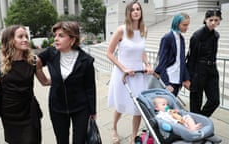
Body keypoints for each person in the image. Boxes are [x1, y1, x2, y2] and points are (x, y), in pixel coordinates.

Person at [37, 21, 96, 144]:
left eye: (61, 36)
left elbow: (90, 87)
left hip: (80, 108)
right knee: (61, 140)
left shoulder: (86, 60)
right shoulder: (50, 53)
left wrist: (93, 110)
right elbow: (34, 62)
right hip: (57, 107)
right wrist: (44, 80)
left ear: (72, 39)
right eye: (55, 35)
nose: (56, 39)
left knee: (79, 141)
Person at [0, 25, 50, 144]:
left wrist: (65, 78)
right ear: (10, 40)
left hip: (29, 112)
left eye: (26, 36)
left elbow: (45, 81)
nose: (26, 39)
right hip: (9, 113)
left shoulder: (34, 61)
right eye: (20, 37)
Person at [106, 1, 153, 143]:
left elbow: (142, 51)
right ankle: (114, 128)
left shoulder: (144, 29)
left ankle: (133, 137)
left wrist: (148, 64)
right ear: (128, 13)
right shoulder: (121, 30)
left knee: (138, 107)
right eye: (133, 10)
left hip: (138, 73)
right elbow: (109, 53)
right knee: (120, 105)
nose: (136, 12)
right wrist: (124, 68)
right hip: (123, 73)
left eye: (138, 9)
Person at [187, 9, 222, 117]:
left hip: (212, 70)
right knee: (196, 102)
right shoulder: (197, 36)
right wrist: (188, 78)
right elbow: (191, 58)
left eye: (216, 20)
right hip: (198, 70)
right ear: (205, 20)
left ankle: (200, 119)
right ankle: (195, 124)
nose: (213, 23)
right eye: (211, 20)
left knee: (214, 100)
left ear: (219, 21)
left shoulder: (216, 35)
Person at [155, 13, 191, 96]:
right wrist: (166, 83)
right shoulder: (167, 38)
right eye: (184, 25)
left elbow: (181, 60)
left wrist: (186, 78)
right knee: (166, 105)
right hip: (169, 78)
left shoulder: (181, 38)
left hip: (178, 79)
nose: (187, 27)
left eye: (187, 25)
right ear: (177, 24)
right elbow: (162, 61)